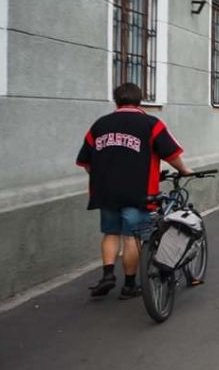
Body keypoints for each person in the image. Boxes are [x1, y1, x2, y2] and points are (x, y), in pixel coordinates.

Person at [76, 82, 192, 299]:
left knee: (110, 232)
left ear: (116, 100)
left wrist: (99, 178)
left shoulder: (99, 125)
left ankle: (108, 275)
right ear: (140, 100)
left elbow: (85, 161)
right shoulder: (151, 124)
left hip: (106, 191)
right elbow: (170, 153)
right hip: (137, 191)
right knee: (131, 237)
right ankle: (129, 285)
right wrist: (184, 170)